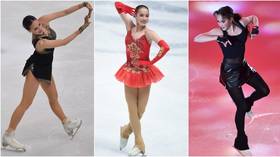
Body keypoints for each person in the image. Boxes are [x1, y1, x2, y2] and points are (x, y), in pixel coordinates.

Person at [2, 2, 93, 152]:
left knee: (54, 98)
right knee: (25, 103)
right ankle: (8, 135)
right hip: (35, 70)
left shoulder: (44, 20)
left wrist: (83, 5)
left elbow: (64, 12)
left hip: (45, 68)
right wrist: (82, 27)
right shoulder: (41, 43)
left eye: (39, 24)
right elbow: (63, 42)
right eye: (35, 29)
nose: (40, 28)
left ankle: (67, 123)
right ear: (30, 31)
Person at [194, 6, 270, 156]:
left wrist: (255, 28)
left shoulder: (241, 23)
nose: (220, 24)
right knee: (240, 108)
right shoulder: (219, 31)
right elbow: (197, 38)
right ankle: (241, 142)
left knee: (264, 90)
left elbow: (253, 17)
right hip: (230, 73)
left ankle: (248, 103)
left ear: (230, 18)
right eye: (218, 21)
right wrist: (217, 38)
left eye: (223, 21)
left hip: (243, 66)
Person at [114, 1, 170, 156]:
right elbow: (117, 4)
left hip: (145, 73)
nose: (144, 18)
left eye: (147, 15)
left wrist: (150, 62)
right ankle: (140, 144)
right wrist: (131, 10)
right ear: (136, 16)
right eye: (141, 15)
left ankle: (125, 131)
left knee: (140, 111)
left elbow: (165, 47)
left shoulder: (149, 33)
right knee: (132, 109)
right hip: (129, 71)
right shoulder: (129, 26)